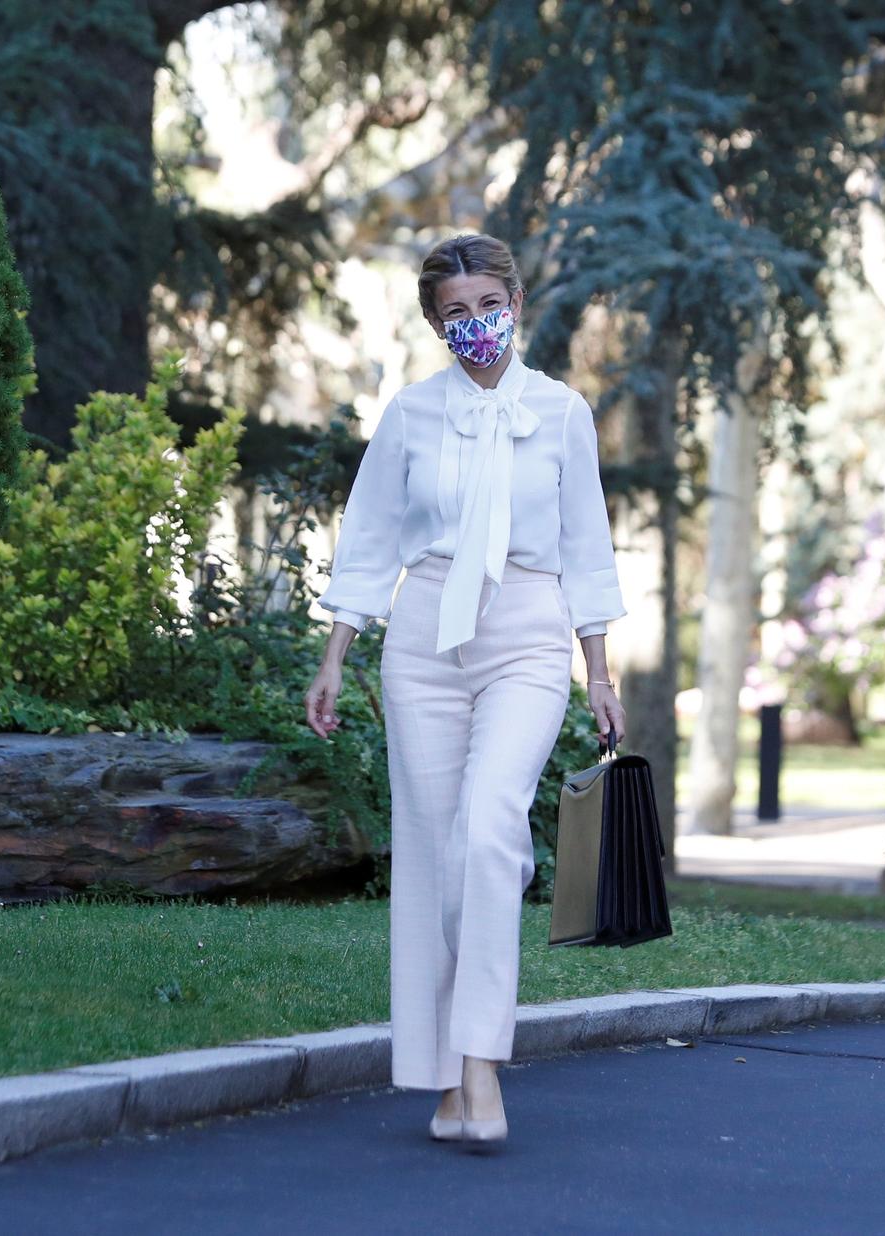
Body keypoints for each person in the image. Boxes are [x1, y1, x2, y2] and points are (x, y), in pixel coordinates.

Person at [302, 232, 626, 1148]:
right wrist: (335, 654)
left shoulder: (562, 413)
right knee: (438, 854)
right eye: (456, 315)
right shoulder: (410, 415)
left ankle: (479, 1066)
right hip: (424, 637)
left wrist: (599, 672)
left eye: (488, 307)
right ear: (435, 326)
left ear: (515, 305)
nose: (475, 326)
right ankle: (446, 1076)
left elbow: (586, 546)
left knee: (489, 832)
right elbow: (367, 540)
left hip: (526, 631)